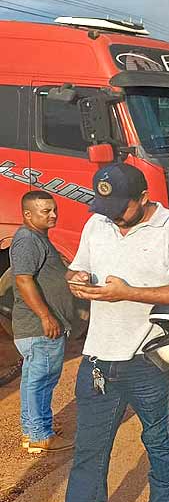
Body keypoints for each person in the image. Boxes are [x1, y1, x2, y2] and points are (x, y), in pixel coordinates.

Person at [7, 164, 169, 502]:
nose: (114, 215)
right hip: (98, 358)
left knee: (158, 437)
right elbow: (80, 267)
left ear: (144, 197)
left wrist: (127, 293)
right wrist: (80, 280)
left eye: (122, 207)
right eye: (107, 206)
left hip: (150, 356)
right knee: (88, 454)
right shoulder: (98, 223)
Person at [12, 191, 77, 454]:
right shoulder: (27, 240)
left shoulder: (37, 238)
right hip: (39, 328)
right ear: (28, 214)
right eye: (45, 211)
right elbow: (23, 280)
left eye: (54, 210)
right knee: (42, 380)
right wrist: (46, 316)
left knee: (34, 380)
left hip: (39, 328)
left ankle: (33, 431)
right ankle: (39, 434)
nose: (53, 215)